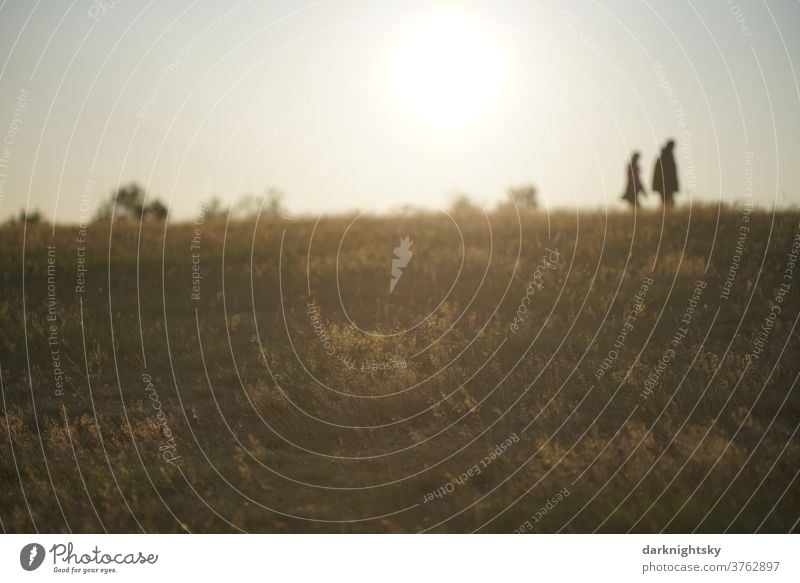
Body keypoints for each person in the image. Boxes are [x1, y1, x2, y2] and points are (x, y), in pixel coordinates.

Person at [653, 140, 679, 206]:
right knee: (668, 202)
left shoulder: (667, 156)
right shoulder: (665, 157)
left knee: (667, 202)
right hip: (665, 184)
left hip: (667, 185)